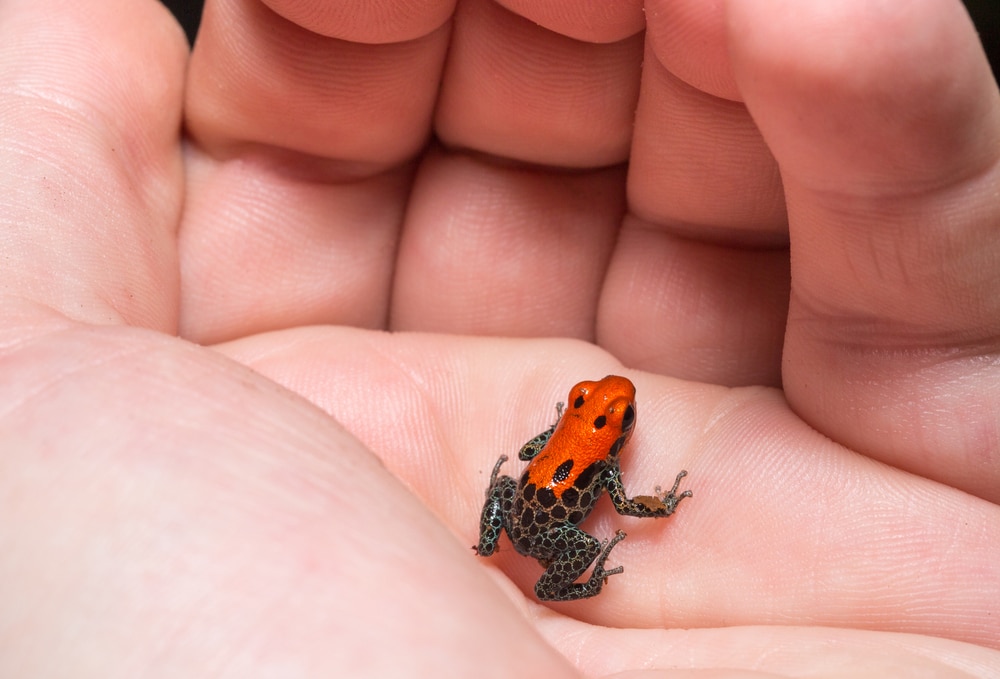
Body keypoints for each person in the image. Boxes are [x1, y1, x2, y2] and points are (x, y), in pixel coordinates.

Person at [3, 0, 998, 674]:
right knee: (570, 532)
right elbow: (637, 504)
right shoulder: (599, 474)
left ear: (591, 426)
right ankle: (549, 561)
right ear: (587, 422)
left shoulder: (568, 458)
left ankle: (494, 537)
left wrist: (514, 527)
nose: (605, 411)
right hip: (541, 522)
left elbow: (567, 470)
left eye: (608, 412)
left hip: (517, 511)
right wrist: (603, 556)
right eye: (600, 410)